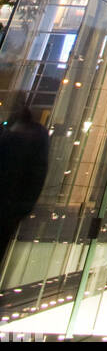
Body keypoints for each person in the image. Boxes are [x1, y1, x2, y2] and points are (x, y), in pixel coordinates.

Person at [0, 95, 49, 271]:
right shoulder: (8, 130)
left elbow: (36, 173)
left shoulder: (33, 134)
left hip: (10, 208)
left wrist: (22, 208)